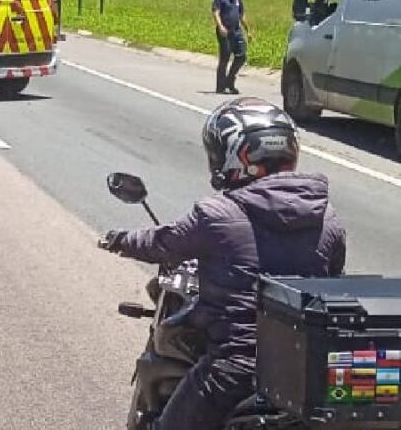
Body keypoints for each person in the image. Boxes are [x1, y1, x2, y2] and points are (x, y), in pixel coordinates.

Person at [99, 97, 346, 429]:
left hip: (235, 371)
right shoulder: (328, 219)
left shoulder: (216, 214)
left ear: (237, 155)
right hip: (302, 374)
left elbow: (163, 244)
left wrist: (117, 240)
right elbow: (333, 281)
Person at [213, 0, 251, 94]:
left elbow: (242, 16)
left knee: (241, 56)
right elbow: (216, 13)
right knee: (225, 58)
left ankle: (230, 80)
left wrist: (248, 30)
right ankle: (220, 86)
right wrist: (220, 26)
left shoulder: (238, 0)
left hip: (237, 31)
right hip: (225, 31)